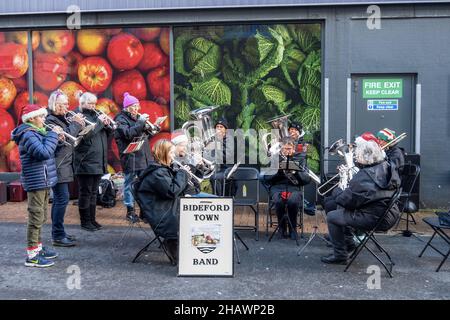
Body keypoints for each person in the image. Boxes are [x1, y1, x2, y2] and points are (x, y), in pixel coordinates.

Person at [321, 135, 401, 264]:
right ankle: (349, 243)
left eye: (357, 155)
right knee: (342, 211)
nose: (356, 158)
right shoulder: (386, 166)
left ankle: (340, 255)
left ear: (366, 157)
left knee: (332, 216)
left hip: (375, 218)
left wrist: (339, 190)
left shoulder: (365, 175)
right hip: (389, 213)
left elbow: (346, 201)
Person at [11, 104, 61, 267]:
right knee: (35, 217)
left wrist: (55, 138)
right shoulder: (28, 134)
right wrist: (54, 135)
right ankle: (32, 255)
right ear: (32, 118)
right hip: (36, 181)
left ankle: (38, 247)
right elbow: (44, 153)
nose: (44, 119)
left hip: (43, 180)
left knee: (41, 216)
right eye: (41, 116)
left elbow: (47, 150)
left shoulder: (37, 132)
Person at [135, 139, 190, 264]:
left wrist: (185, 175)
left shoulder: (162, 169)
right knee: (187, 215)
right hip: (159, 211)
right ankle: (172, 244)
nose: (174, 155)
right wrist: (183, 174)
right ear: (163, 153)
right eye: (171, 152)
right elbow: (172, 191)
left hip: (163, 205)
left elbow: (173, 188)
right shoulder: (157, 173)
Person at [46, 90, 85, 247]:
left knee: (61, 199)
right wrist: (75, 124)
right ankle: (57, 235)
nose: (68, 107)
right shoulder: (50, 121)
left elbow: (71, 136)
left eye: (67, 103)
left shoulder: (62, 119)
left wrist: (80, 126)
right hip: (58, 165)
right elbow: (62, 141)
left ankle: (60, 232)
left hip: (65, 164)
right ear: (55, 104)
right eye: (64, 104)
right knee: (61, 199)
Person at [73, 92, 113, 231]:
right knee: (86, 192)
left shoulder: (97, 115)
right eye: (90, 103)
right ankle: (85, 221)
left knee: (94, 192)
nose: (93, 106)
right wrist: (100, 124)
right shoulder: (78, 117)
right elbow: (86, 135)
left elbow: (106, 135)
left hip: (98, 160)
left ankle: (92, 220)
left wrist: (107, 126)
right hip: (85, 160)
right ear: (82, 103)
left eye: (94, 103)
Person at [114, 92, 155, 223]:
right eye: (134, 106)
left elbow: (144, 136)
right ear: (127, 107)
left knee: (145, 184)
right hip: (130, 158)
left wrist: (152, 130)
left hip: (144, 156)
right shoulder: (120, 119)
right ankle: (130, 211)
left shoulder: (137, 118)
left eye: (138, 105)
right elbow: (128, 134)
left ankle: (144, 211)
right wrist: (141, 122)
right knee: (129, 185)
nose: (137, 109)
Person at [266, 137, 311, 239]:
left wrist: (297, 172)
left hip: (293, 187)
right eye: (285, 149)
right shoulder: (275, 159)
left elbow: (307, 180)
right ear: (281, 149)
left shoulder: (300, 159)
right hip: (277, 187)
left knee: (293, 201)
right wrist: (276, 171)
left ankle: (292, 228)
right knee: (278, 201)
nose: (287, 151)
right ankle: (281, 228)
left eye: (289, 149)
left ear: (294, 149)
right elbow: (266, 178)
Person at [171, 130, 216, 197]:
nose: (185, 148)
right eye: (182, 146)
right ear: (174, 146)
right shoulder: (173, 162)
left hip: (194, 192)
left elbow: (197, 179)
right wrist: (192, 165)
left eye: (186, 146)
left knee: (219, 199)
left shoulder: (186, 158)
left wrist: (199, 167)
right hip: (184, 194)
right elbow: (182, 179)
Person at [209, 118, 237, 196]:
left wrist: (218, 142)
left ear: (226, 129)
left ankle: (218, 201)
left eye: (221, 127)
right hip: (216, 168)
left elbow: (226, 156)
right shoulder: (214, 140)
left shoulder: (229, 140)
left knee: (214, 178)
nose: (219, 128)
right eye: (217, 127)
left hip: (226, 169)